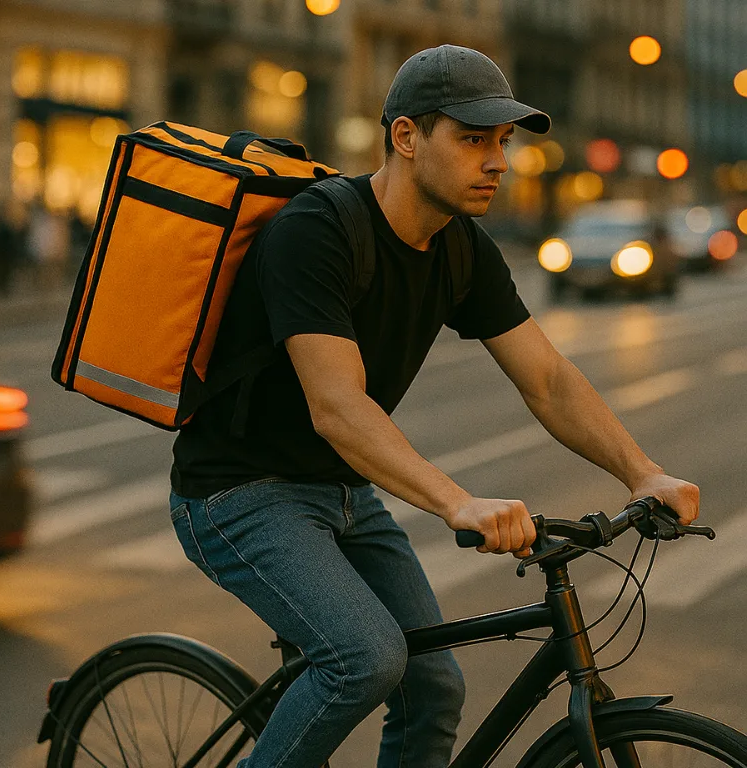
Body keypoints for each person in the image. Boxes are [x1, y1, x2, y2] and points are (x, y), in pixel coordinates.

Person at [169, 45, 699, 768]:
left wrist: (643, 473)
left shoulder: (461, 249)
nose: (498, 162)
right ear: (407, 137)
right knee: (365, 659)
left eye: (503, 142)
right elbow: (337, 406)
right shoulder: (316, 232)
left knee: (435, 689)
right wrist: (457, 502)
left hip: (346, 492)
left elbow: (547, 379)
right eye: (474, 139)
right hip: (240, 493)